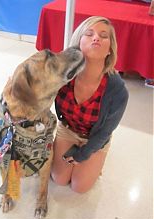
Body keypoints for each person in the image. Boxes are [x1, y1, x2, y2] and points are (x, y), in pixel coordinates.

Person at [51, 16, 129, 193]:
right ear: (78, 41)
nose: (96, 38)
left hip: (95, 137)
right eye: (89, 33)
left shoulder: (118, 91)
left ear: (110, 49)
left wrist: (83, 154)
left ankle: (99, 158)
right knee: (59, 179)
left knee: (79, 188)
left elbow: (105, 131)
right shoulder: (62, 73)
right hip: (68, 129)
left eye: (103, 36)